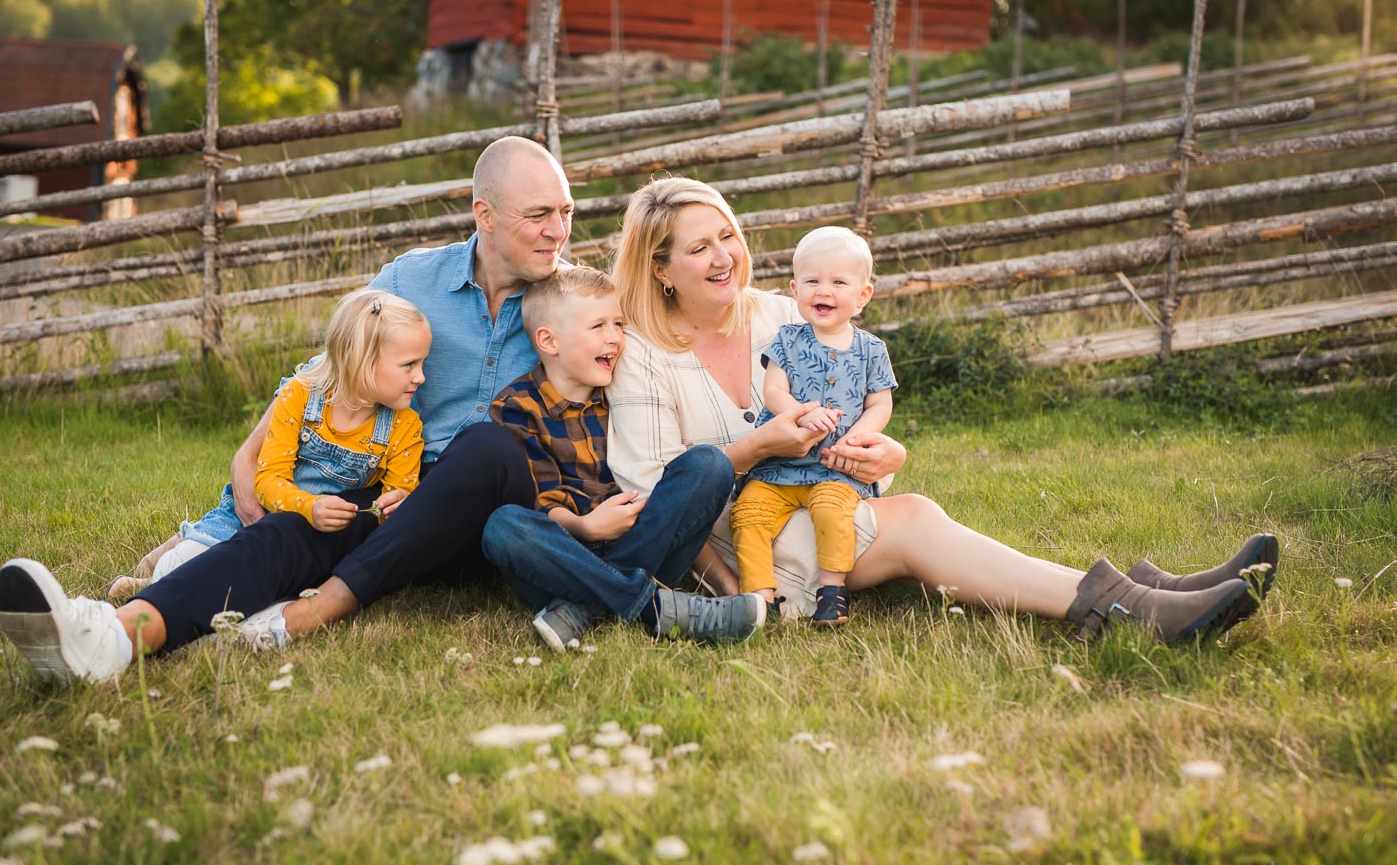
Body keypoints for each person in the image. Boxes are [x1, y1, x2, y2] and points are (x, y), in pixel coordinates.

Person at [0, 136, 571, 683]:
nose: (558, 231)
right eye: (539, 214)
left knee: (489, 445)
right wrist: (249, 454)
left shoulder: (575, 304)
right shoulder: (411, 279)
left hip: (492, 524)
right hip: (394, 499)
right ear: (485, 214)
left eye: (566, 212)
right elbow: (330, 371)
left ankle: (306, 614)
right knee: (297, 526)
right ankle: (112, 639)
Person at [605, 175, 1278, 640]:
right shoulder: (641, 352)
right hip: (739, 541)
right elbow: (655, 494)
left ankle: (1150, 590)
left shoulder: (784, 313)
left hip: (821, 499)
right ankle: (1128, 607)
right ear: (660, 269)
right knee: (917, 525)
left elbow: (850, 416)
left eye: (727, 234)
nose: (726, 257)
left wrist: (881, 459)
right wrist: (757, 449)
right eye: (699, 249)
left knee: (907, 507)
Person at [480, 267, 766, 651]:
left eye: (618, 324)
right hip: (565, 551)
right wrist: (588, 527)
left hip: (645, 539)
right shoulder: (517, 407)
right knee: (504, 527)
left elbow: (660, 481)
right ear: (549, 340)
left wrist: (725, 582)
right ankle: (659, 607)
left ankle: (583, 607)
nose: (615, 338)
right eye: (598, 326)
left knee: (710, 465)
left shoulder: (625, 387)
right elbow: (540, 498)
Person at [104, 289, 428, 606]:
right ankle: (158, 572)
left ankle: (160, 571)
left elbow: (398, 495)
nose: (421, 378)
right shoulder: (301, 396)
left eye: (422, 364)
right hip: (255, 516)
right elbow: (268, 479)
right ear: (363, 361)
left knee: (246, 593)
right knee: (180, 570)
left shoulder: (404, 427)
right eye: (409, 365)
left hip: (310, 541)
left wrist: (395, 505)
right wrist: (309, 507)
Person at [729, 227, 896, 627]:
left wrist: (861, 434)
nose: (824, 290)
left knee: (832, 510)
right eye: (813, 281)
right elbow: (774, 390)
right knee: (748, 513)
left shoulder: (871, 349)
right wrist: (800, 412)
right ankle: (759, 597)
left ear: (862, 296)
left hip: (835, 465)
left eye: (839, 282)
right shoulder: (786, 339)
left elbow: (880, 402)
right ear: (794, 289)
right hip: (781, 465)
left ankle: (832, 590)